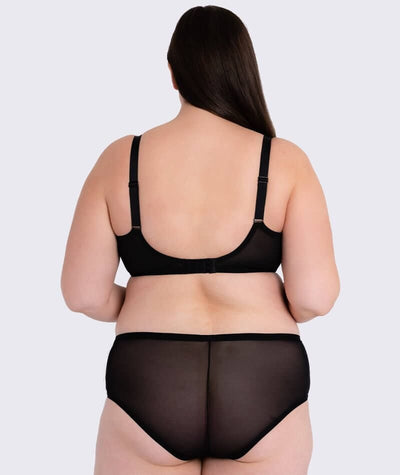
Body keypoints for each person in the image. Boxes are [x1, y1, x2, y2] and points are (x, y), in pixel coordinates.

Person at [61, 5, 340, 475]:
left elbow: (82, 294)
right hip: (263, 379)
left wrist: (144, 298)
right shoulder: (284, 161)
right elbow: (314, 298)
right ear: (243, 69)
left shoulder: (120, 159)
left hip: (150, 376)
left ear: (174, 73)